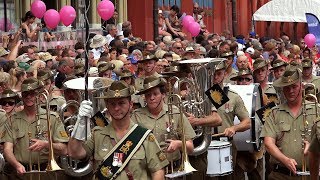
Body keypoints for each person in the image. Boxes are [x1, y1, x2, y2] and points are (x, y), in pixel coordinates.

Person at [68, 80, 168, 179]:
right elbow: (74, 153)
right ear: (107, 106)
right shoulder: (97, 134)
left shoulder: (144, 136)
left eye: (121, 103)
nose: (116, 108)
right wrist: (80, 123)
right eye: (112, 104)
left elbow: (157, 171)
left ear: (131, 105)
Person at [2, 78, 69, 179]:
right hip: (21, 173)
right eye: (25, 94)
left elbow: (64, 150)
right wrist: (16, 165)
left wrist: (46, 144)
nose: (29, 97)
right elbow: (7, 149)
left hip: (46, 172)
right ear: (21, 96)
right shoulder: (12, 119)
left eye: (32, 93)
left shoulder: (52, 117)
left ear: (39, 95)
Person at [131, 76, 196, 175]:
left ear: (163, 95)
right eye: (148, 95)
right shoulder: (136, 116)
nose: (152, 98)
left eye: (155, 94)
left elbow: (190, 148)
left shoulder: (175, 112)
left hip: (173, 170)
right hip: (147, 172)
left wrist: (178, 144)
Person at [261, 67, 315, 180]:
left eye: (294, 86)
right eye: (287, 88)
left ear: (301, 86)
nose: (290, 91)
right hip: (280, 175)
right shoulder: (274, 113)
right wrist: (285, 160)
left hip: (311, 175)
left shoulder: (316, 110)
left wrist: (314, 147)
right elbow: (268, 143)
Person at [211, 60, 251, 180]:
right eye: (213, 74)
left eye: (219, 73)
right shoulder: (200, 96)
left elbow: (247, 122)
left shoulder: (233, 96)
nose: (216, 77)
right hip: (204, 145)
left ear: (225, 74)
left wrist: (234, 128)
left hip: (226, 144)